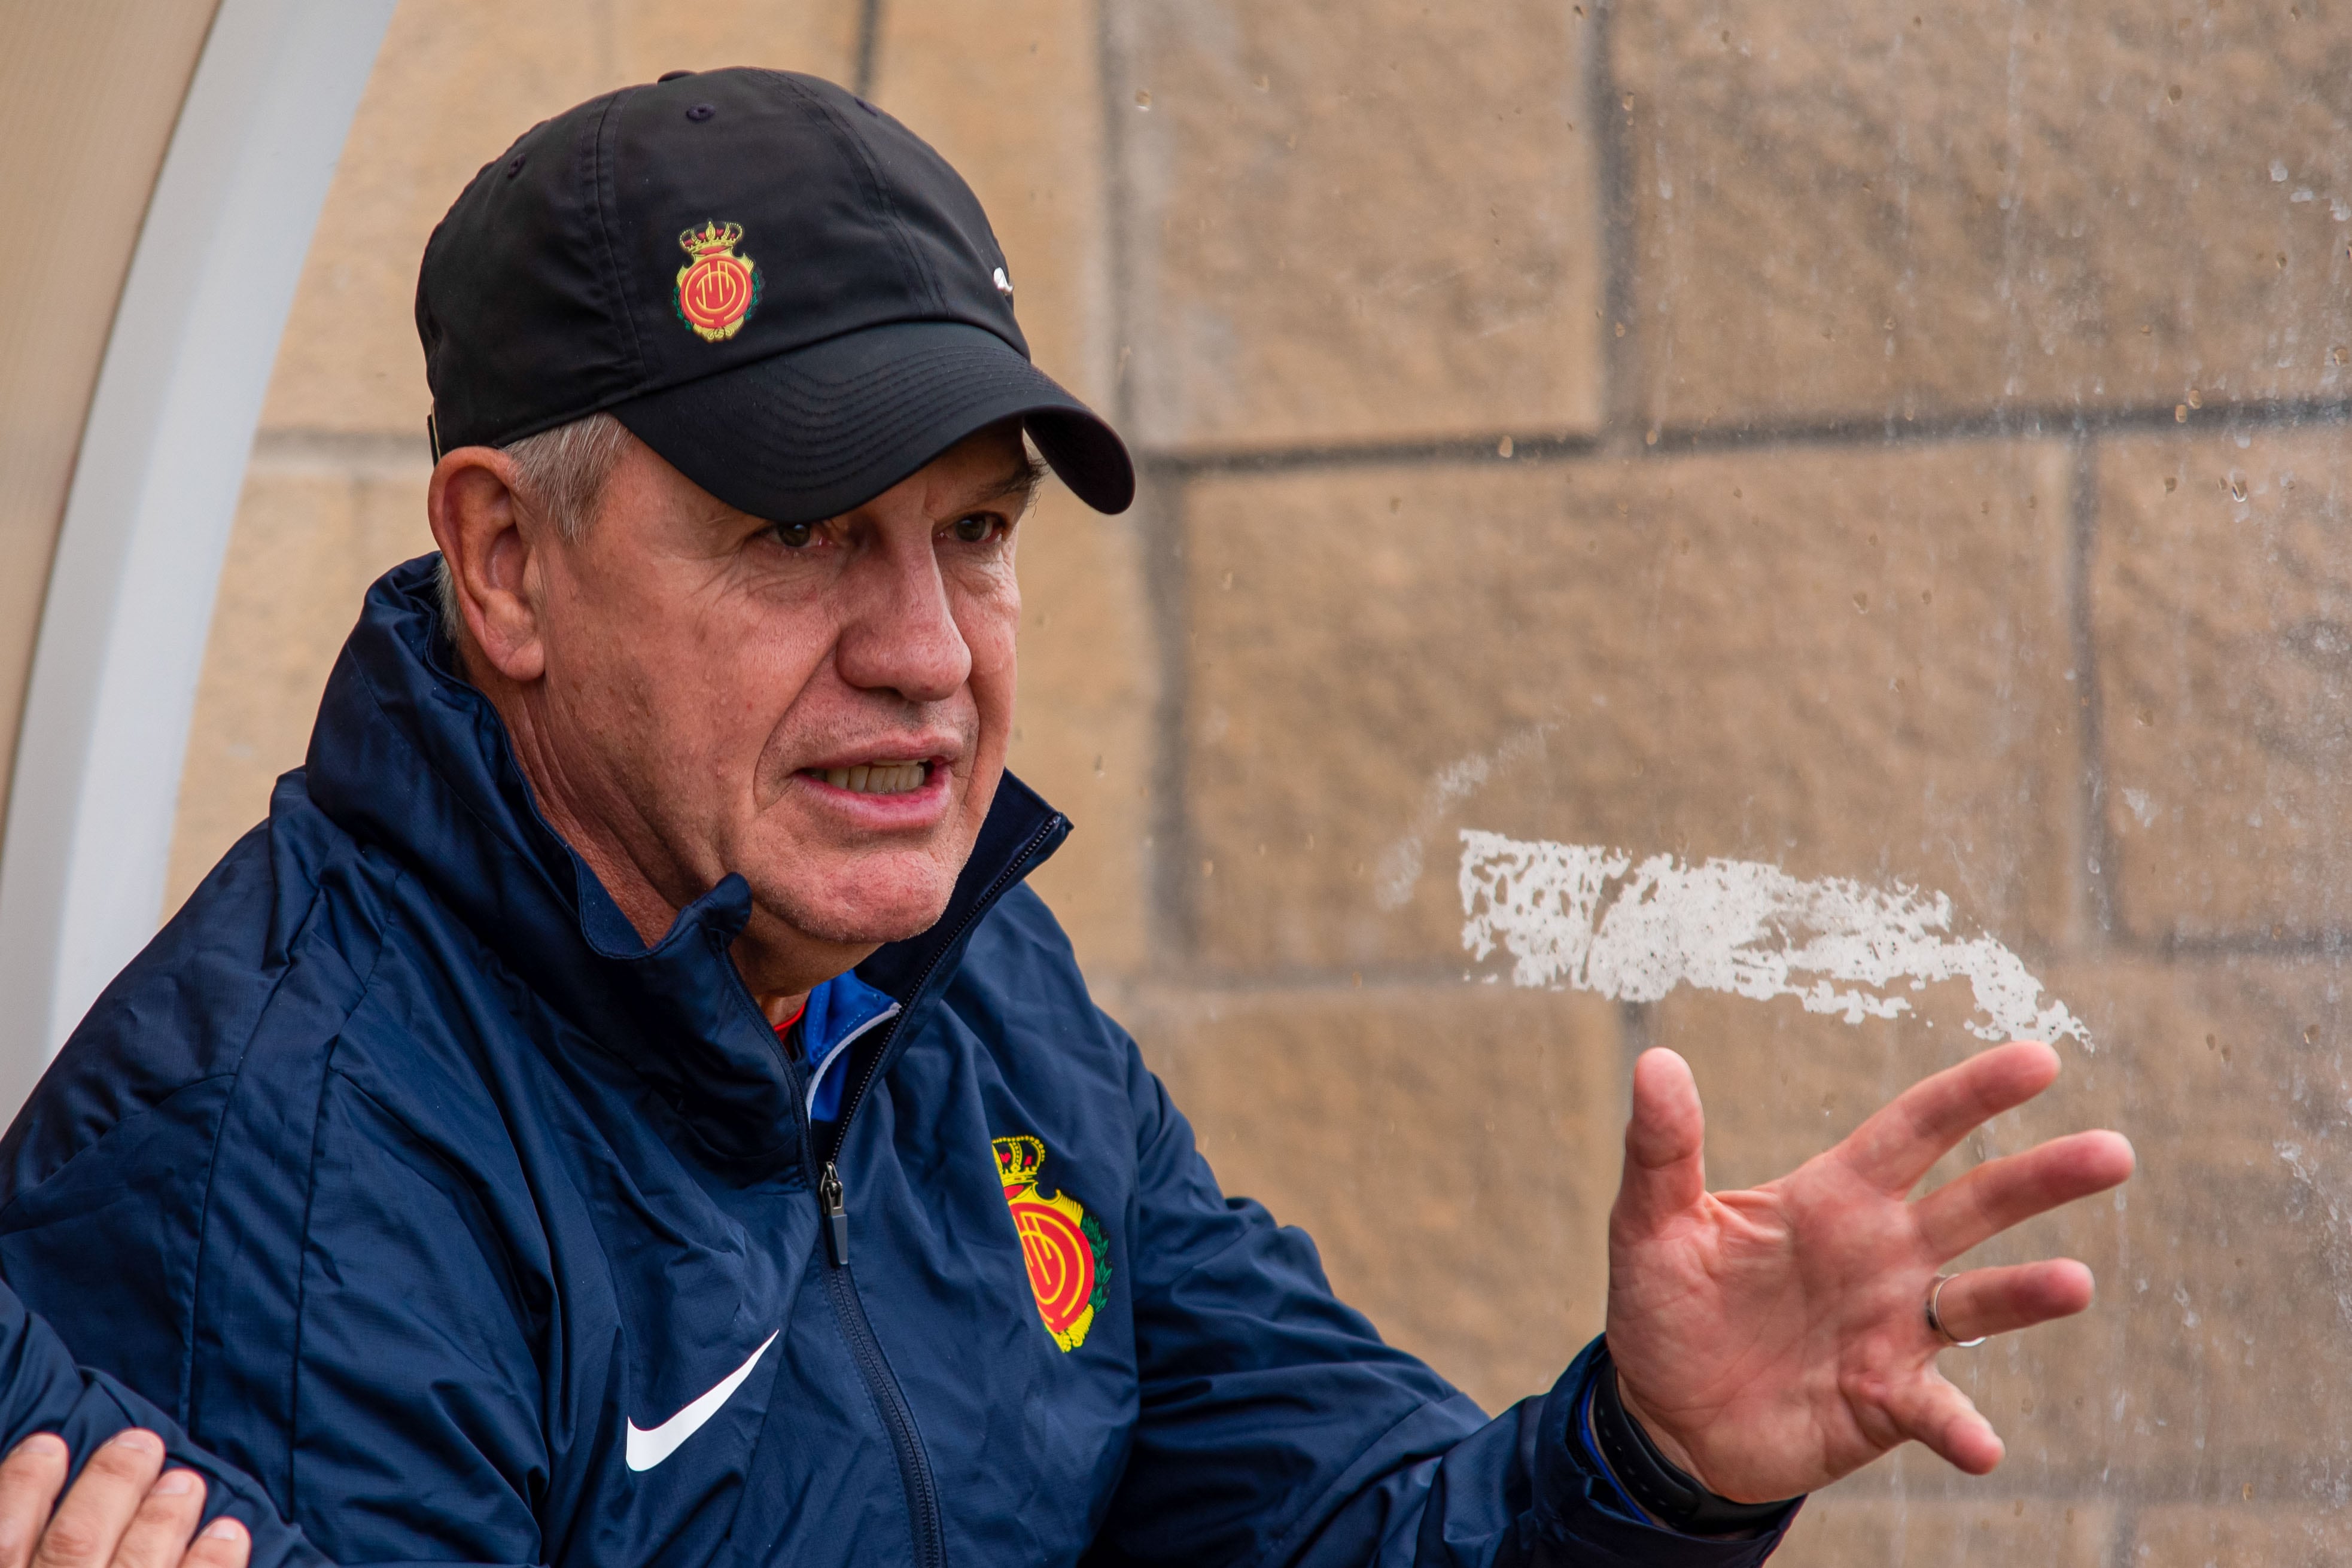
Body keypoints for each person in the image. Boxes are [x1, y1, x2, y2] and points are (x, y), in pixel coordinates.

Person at [0, 68, 2132, 1566]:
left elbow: (1312, 1527)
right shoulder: (277, 1161)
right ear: (505, 568)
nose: (929, 654)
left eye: (978, 534)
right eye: (804, 533)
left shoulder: (950, 982)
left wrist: (1645, 1466)